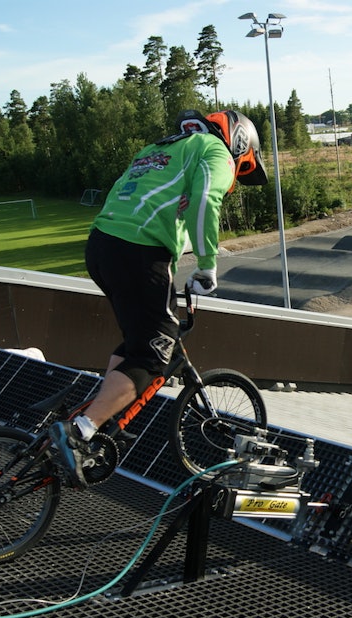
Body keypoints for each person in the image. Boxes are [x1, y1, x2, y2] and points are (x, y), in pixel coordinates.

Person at [50, 109, 268, 488]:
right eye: (242, 166)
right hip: (139, 252)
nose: (235, 175)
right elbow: (204, 202)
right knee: (154, 354)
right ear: (239, 143)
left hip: (101, 245)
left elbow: (148, 200)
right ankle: (81, 431)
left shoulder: (159, 149)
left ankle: (98, 412)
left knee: (139, 339)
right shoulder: (214, 151)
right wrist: (206, 266)